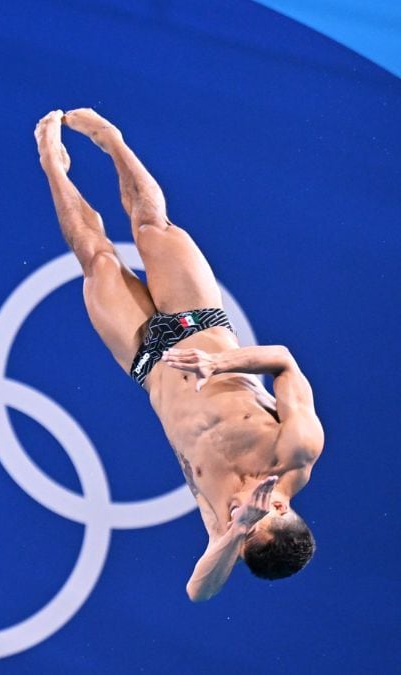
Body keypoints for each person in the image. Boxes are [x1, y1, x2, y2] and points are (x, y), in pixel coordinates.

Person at [34, 108, 324, 601]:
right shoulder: (298, 450)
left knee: (97, 259)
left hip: (146, 360)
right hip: (201, 325)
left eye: (240, 536)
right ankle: (114, 143)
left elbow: (198, 591)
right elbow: (285, 361)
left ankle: (52, 164)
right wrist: (220, 363)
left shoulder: (223, 522)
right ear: (278, 511)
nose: (239, 521)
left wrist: (233, 535)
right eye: (250, 528)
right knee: (150, 225)